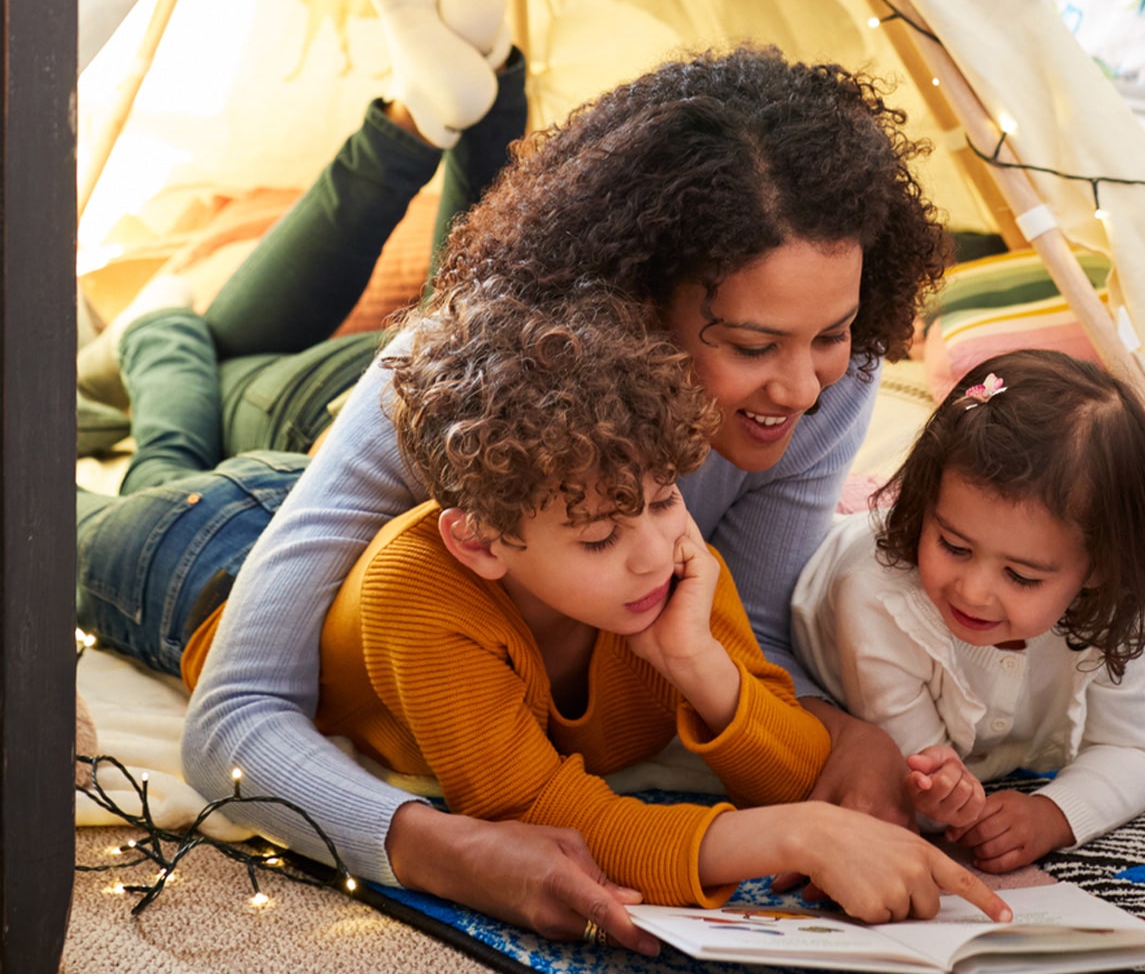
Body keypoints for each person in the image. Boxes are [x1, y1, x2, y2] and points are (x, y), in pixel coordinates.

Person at [163, 36, 950, 937]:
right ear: (637, 299)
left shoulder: (825, 384)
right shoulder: (437, 381)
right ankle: (163, 344)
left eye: (833, 334)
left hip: (473, 597)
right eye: (751, 345)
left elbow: (748, 633)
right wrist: (436, 847)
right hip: (220, 534)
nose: (806, 389)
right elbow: (232, 717)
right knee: (187, 415)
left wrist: (844, 733)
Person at [186, 286, 1005, 924]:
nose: (654, 550)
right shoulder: (426, 591)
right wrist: (788, 837)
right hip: (208, 556)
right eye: (597, 538)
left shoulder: (674, 568)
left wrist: (698, 663)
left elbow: (797, 768)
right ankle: (169, 339)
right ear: (480, 543)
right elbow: (534, 811)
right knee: (104, 500)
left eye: (660, 500)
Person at [791, 349, 1145, 875]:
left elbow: (1136, 749)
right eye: (953, 545)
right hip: (827, 572)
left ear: (1099, 568)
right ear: (926, 505)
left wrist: (1053, 813)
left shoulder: (1118, 603)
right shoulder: (876, 600)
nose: (973, 592)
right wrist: (940, 794)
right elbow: (913, 784)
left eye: (1021, 576)